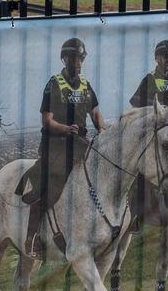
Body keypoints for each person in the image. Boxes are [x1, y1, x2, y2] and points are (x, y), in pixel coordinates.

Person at [18, 37, 105, 257]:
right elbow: (46, 120)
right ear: (65, 58)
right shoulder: (53, 84)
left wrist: (103, 131)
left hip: (80, 146)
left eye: (81, 58)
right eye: (75, 57)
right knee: (51, 189)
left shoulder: (86, 85)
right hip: (56, 146)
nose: (79, 62)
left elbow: (95, 113)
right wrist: (65, 129)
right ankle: (33, 238)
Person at [129, 40, 168, 113]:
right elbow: (135, 107)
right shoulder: (150, 79)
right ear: (157, 58)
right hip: (157, 122)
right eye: (166, 55)